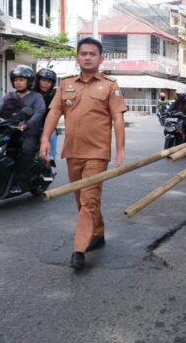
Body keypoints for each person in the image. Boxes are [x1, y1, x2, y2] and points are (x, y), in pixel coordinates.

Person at [39, 37, 127, 271]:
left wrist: (119, 149)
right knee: (82, 201)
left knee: (88, 201)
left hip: (97, 154)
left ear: (100, 58)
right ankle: (97, 234)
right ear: (77, 57)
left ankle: (79, 250)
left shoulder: (110, 86)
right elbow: (54, 112)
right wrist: (45, 139)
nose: (88, 57)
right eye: (83, 53)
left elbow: (118, 117)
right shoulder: (66, 84)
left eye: (92, 54)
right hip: (73, 152)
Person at [0, 65, 46, 195]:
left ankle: (19, 182)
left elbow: (39, 113)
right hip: (10, 131)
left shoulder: (36, 97)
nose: (18, 82)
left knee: (26, 150)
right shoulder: (10, 96)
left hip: (28, 133)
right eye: (15, 80)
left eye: (21, 80)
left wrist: (27, 124)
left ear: (29, 82)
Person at [34, 68, 58, 163]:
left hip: (47, 124)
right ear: (38, 80)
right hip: (31, 124)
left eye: (49, 81)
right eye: (43, 80)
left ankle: (49, 160)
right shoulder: (31, 93)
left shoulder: (55, 94)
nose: (45, 84)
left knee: (52, 135)